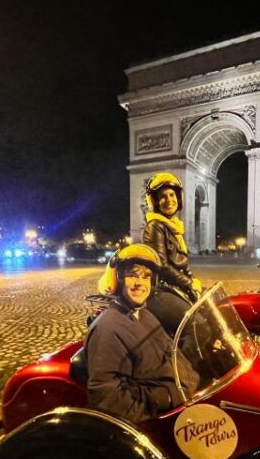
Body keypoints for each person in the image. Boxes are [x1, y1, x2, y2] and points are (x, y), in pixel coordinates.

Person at [87, 244, 199, 423]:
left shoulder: (144, 314)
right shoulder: (108, 329)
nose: (140, 283)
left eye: (146, 277)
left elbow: (170, 353)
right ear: (120, 280)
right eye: (132, 275)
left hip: (185, 399)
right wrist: (165, 401)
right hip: (164, 419)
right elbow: (108, 398)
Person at [142, 172, 203, 335]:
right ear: (154, 201)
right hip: (160, 291)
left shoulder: (173, 226)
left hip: (174, 286)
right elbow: (161, 266)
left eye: (172, 194)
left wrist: (193, 278)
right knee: (197, 325)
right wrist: (189, 284)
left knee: (211, 309)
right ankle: (179, 360)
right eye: (162, 196)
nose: (169, 200)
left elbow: (181, 263)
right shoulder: (155, 226)